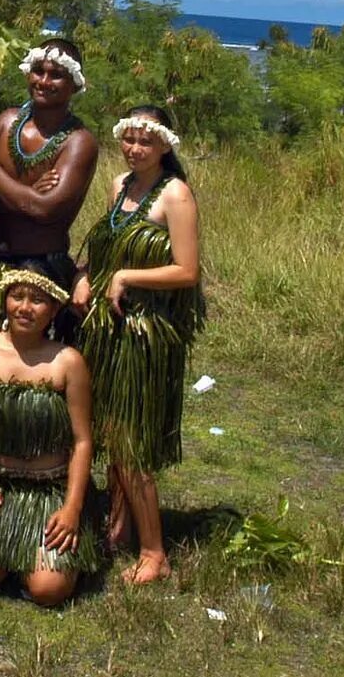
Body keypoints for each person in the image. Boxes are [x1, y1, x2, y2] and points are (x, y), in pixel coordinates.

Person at [75, 106, 204, 586]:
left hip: (145, 332)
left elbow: (186, 271)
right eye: (129, 139)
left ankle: (155, 554)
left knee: (131, 443)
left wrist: (128, 276)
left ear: (165, 146)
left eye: (145, 142)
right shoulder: (119, 185)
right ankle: (120, 524)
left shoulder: (176, 195)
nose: (135, 148)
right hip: (108, 329)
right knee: (108, 430)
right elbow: (107, 246)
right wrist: (87, 274)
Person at [0, 268, 100, 607]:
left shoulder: (67, 362)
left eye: (37, 300)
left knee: (48, 591)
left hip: (49, 493)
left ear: (53, 309)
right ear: (5, 299)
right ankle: (7, 559)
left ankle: (36, 563)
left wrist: (72, 509)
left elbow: (82, 442)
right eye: (17, 296)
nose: (25, 307)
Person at [0, 35, 98, 332]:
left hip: (42, 270)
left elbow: (44, 209)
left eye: (56, 75)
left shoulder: (79, 142)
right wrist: (26, 194)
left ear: (74, 85)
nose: (44, 81)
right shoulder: (6, 121)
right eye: (38, 71)